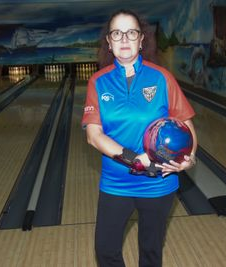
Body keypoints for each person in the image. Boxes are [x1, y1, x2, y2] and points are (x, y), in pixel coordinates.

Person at [82, 9, 198, 267]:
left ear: (141, 40)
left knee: (151, 252)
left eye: (131, 32)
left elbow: (186, 126)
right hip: (115, 184)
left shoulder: (162, 78)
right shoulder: (98, 82)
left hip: (158, 183)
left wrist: (189, 159)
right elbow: (94, 135)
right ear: (109, 42)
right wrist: (136, 160)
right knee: (105, 251)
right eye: (117, 33)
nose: (124, 38)